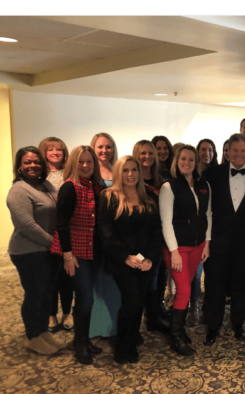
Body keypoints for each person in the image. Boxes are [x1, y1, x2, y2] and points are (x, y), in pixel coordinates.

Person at [203, 133, 245, 345]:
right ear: (227, 151)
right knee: (215, 285)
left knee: (240, 284)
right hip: (218, 240)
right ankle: (213, 326)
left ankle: (238, 324)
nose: (239, 154)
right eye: (235, 150)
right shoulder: (212, 174)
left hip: (244, 241)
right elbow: (207, 210)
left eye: (243, 151)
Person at [99, 156, 162, 364]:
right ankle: (122, 347)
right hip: (122, 261)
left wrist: (150, 258)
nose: (130, 174)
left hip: (146, 262)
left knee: (139, 303)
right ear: (118, 172)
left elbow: (156, 232)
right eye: (125, 170)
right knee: (131, 303)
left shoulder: (150, 196)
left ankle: (132, 339)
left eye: (134, 170)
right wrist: (126, 257)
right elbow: (106, 232)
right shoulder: (109, 197)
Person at [7, 146, 65, 355]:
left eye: (36, 162)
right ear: (19, 167)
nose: (33, 165)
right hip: (28, 252)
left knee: (47, 293)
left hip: (49, 250)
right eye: (27, 162)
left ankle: (42, 332)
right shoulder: (19, 190)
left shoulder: (45, 185)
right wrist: (55, 243)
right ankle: (32, 337)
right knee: (35, 294)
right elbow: (28, 226)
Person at [49, 145, 104, 364]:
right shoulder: (69, 187)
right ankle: (79, 343)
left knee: (85, 299)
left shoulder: (94, 187)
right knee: (85, 299)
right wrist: (68, 256)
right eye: (80, 161)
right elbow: (61, 224)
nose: (85, 165)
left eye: (89, 162)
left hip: (91, 251)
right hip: (75, 252)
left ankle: (83, 338)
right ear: (73, 163)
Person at [160, 144, 211, 355]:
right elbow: (166, 222)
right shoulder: (168, 187)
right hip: (177, 248)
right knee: (184, 291)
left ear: (196, 162)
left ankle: (176, 330)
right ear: (177, 161)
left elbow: (208, 215)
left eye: (191, 159)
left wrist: (207, 243)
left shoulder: (204, 185)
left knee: (186, 288)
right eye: (183, 159)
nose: (187, 163)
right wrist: (173, 251)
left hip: (198, 246)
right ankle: (176, 336)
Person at [131, 140, 169, 335]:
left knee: (159, 278)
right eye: (143, 153)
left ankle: (154, 315)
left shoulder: (160, 181)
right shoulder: (132, 181)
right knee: (145, 283)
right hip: (139, 241)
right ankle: (146, 321)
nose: (147, 157)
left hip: (159, 238)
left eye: (150, 153)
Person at [38, 137, 74, 333]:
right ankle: (51, 315)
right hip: (47, 233)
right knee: (50, 278)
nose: (55, 152)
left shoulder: (69, 174)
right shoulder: (39, 177)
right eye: (50, 149)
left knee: (66, 277)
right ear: (44, 152)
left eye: (59, 149)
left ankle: (67, 313)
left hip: (67, 233)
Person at [89, 132, 121, 339]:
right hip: (93, 235)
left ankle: (113, 327)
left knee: (113, 282)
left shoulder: (117, 171)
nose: (104, 150)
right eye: (100, 147)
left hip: (116, 235)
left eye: (108, 147)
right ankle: (96, 328)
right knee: (95, 283)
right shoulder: (89, 172)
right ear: (93, 148)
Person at [187, 138, 219, 327]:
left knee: (212, 273)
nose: (207, 153)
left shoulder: (217, 174)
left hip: (215, 230)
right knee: (196, 273)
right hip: (197, 231)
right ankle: (193, 307)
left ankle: (207, 308)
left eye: (210, 150)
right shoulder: (191, 175)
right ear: (198, 152)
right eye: (204, 150)